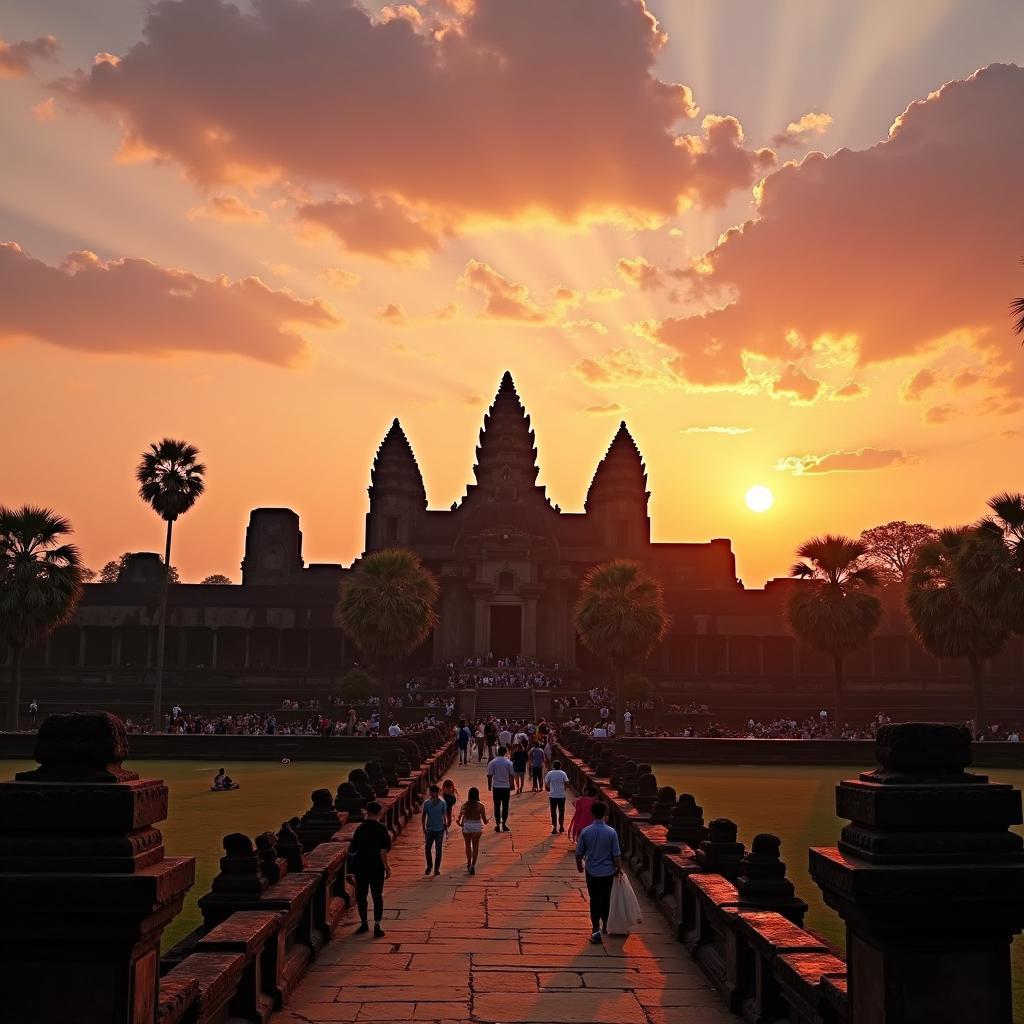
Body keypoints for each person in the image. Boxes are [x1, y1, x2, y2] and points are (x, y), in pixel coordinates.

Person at [575, 801, 622, 944]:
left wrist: (579, 866)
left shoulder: (586, 831)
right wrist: (618, 868)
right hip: (608, 872)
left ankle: (595, 928)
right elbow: (616, 854)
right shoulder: (611, 832)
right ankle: (606, 925)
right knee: (606, 898)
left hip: (592, 871)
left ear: (592, 813)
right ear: (606, 814)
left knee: (594, 899)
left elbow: (579, 853)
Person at [348, 800, 391, 937]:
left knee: (361, 896)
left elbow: (353, 849)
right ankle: (377, 925)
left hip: (361, 866)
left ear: (367, 812)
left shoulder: (360, 828)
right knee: (377, 896)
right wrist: (387, 866)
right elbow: (383, 850)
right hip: (377, 866)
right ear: (378, 812)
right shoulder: (382, 828)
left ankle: (364, 923)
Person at [457, 786, 489, 874]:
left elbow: (459, 818)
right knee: (475, 847)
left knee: (468, 846)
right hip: (477, 827)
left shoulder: (464, 805)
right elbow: (485, 821)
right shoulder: (481, 806)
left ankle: (469, 863)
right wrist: (488, 821)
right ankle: (473, 866)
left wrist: (459, 822)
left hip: (467, 826)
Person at [486, 746, 514, 833]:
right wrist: (512, 785)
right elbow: (511, 775)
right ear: (505, 752)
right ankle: (504, 824)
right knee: (505, 806)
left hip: (496, 786)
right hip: (506, 787)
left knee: (497, 806)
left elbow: (489, 775)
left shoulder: (493, 762)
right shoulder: (508, 762)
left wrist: (489, 785)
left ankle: (498, 824)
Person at [422, 785, 448, 876]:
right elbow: (424, 816)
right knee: (427, 848)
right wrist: (423, 828)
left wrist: (445, 825)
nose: (432, 794)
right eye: (431, 792)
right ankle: (430, 865)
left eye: (433, 792)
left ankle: (436, 868)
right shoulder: (427, 803)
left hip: (439, 829)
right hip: (430, 829)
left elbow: (444, 816)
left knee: (438, 849)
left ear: (437, 792)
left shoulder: (442, 803)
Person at [544, 760, 569, 835]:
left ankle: (554, 827)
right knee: (561, 811)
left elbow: (546, 783)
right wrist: (564, 789)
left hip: (553, 795)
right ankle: (561, 826)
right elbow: (567, 782)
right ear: (560, 766)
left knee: (553, 812)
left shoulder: (550, 773)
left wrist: (548, 788)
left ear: (553, 766)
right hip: (561, 795)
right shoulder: (563, 773)